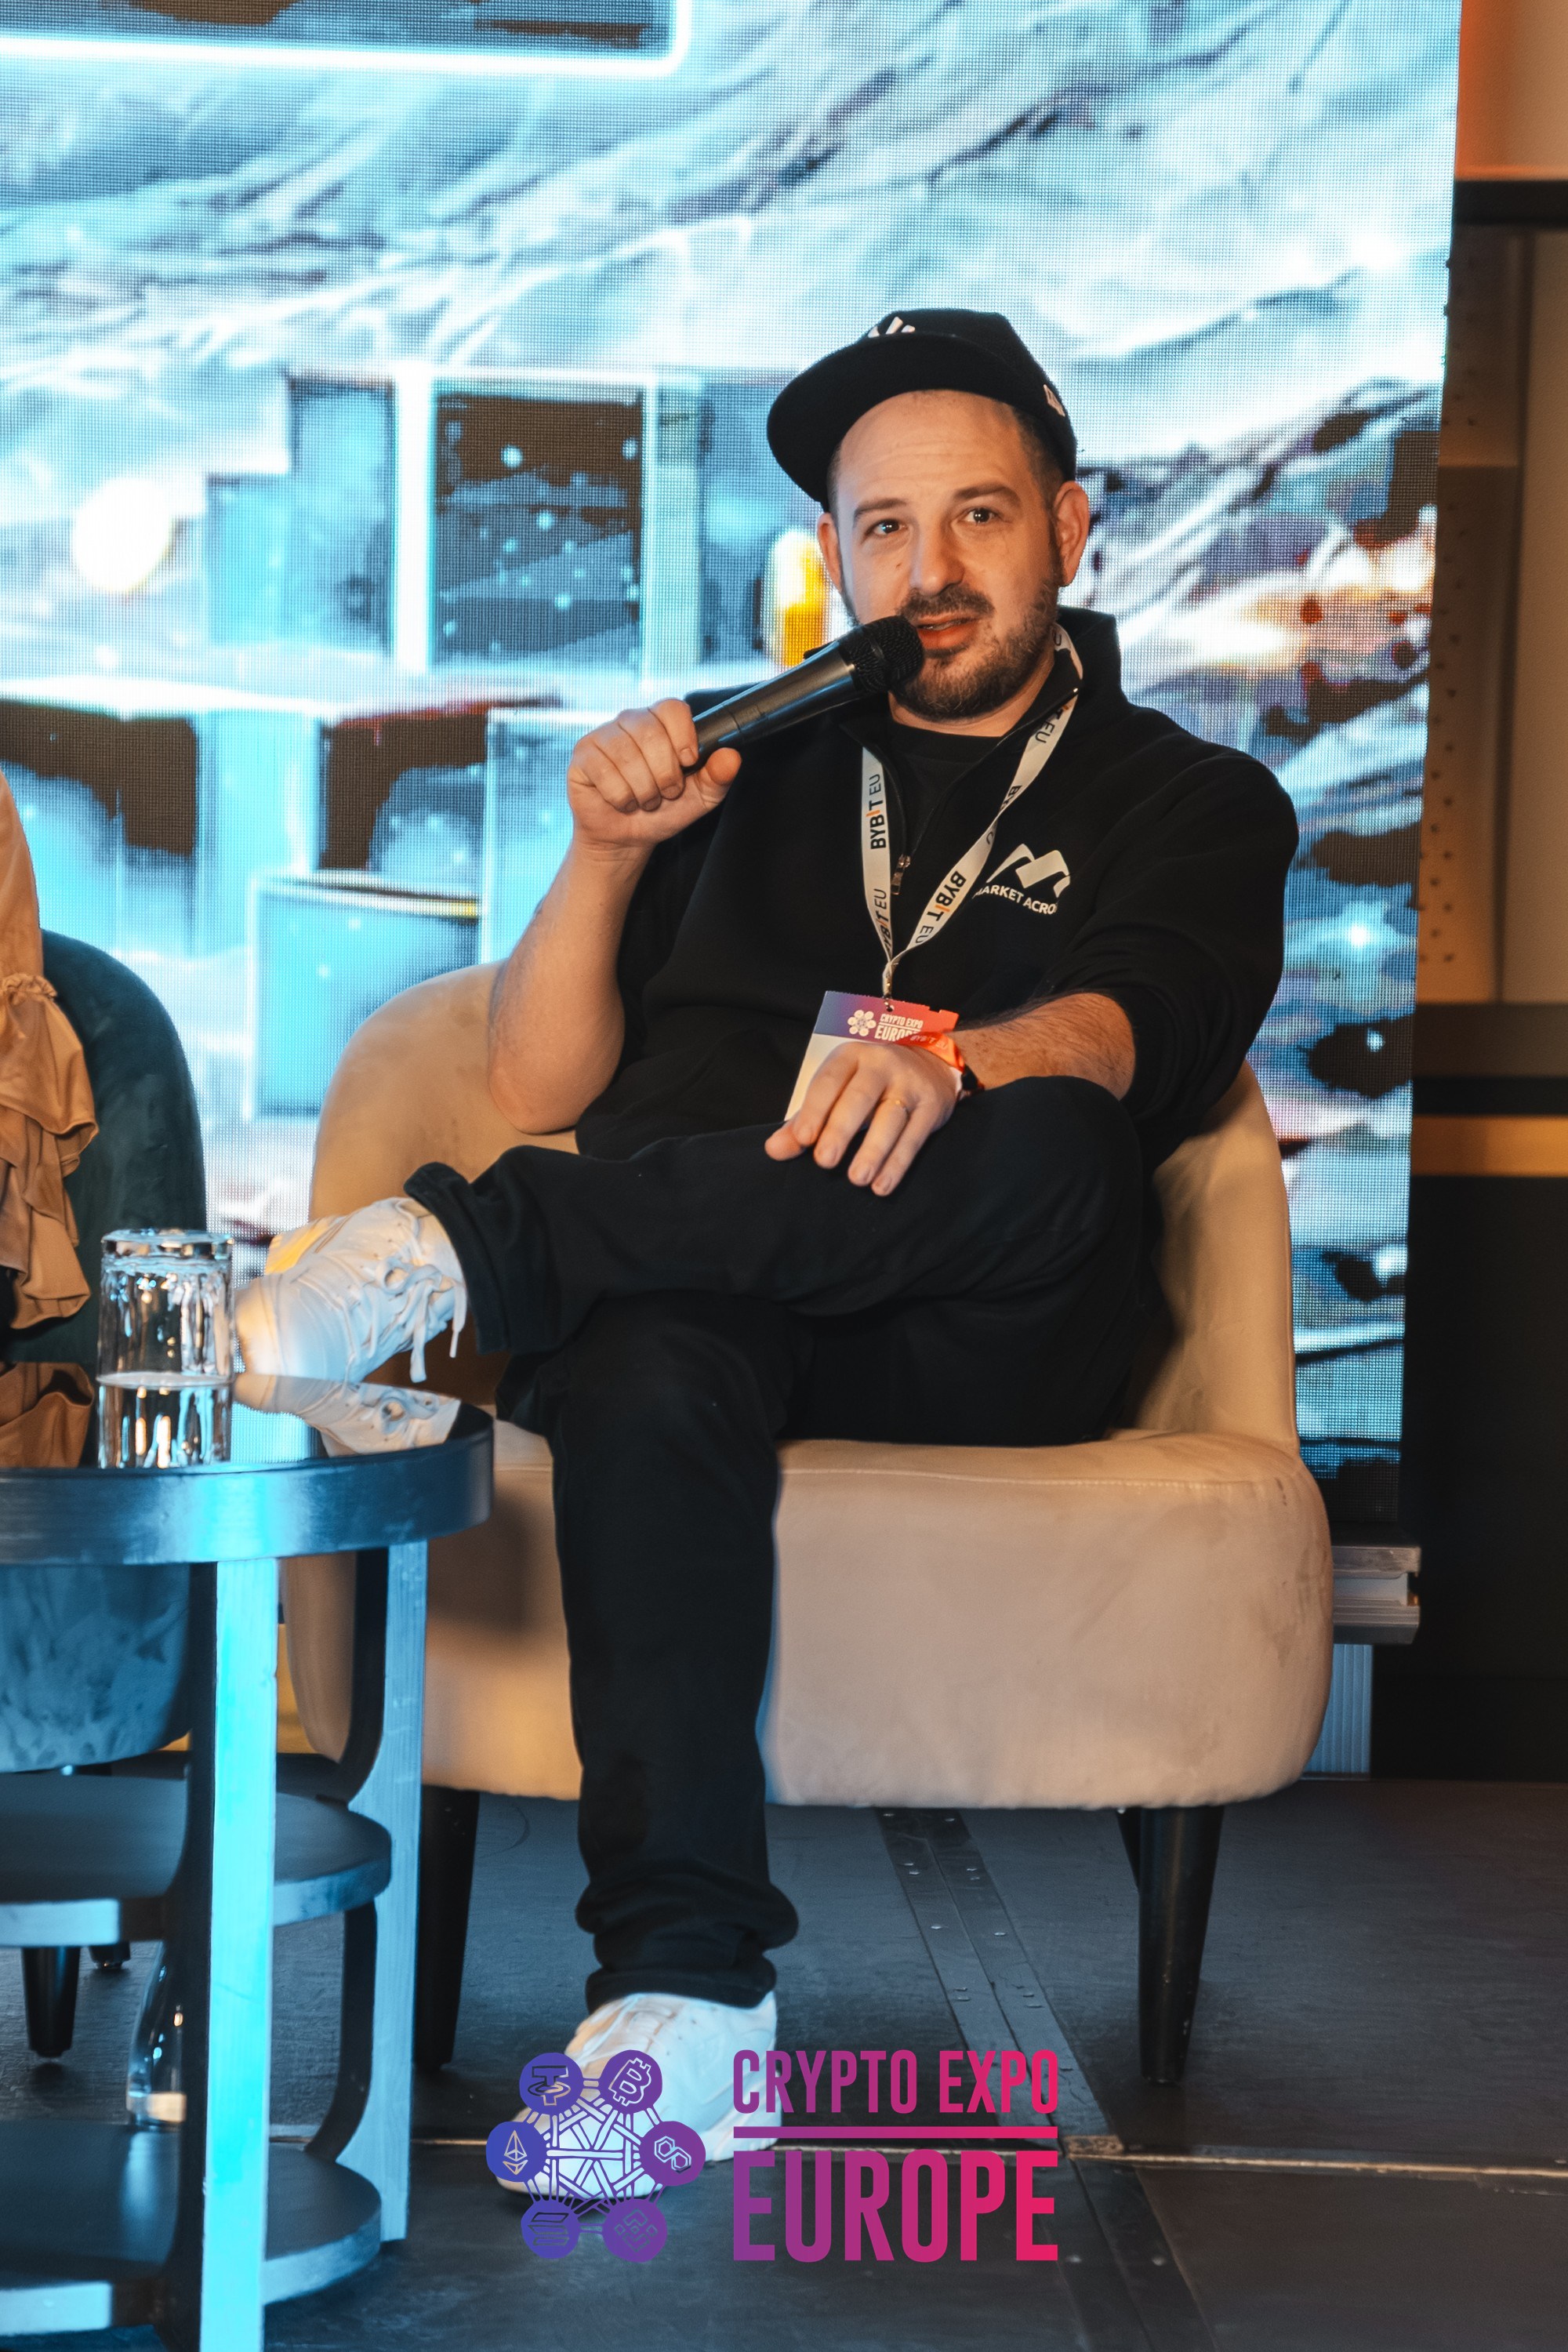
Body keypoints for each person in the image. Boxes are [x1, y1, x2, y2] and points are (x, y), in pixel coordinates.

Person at [238, 309, 1297, 2156]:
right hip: (696, 1302)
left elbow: (1139, 1024)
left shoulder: (1191, 796)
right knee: (646, 1364)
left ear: (1068, 528)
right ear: (836, 558)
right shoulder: (744, 763)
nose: (929, 569)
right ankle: (692, 1999)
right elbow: (537, 1069)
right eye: (884, 528)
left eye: (978, 517)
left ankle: (471, 1252)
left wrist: (959, 1065)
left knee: (1059, 1141)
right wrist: (605, 851)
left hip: (977, 1326)